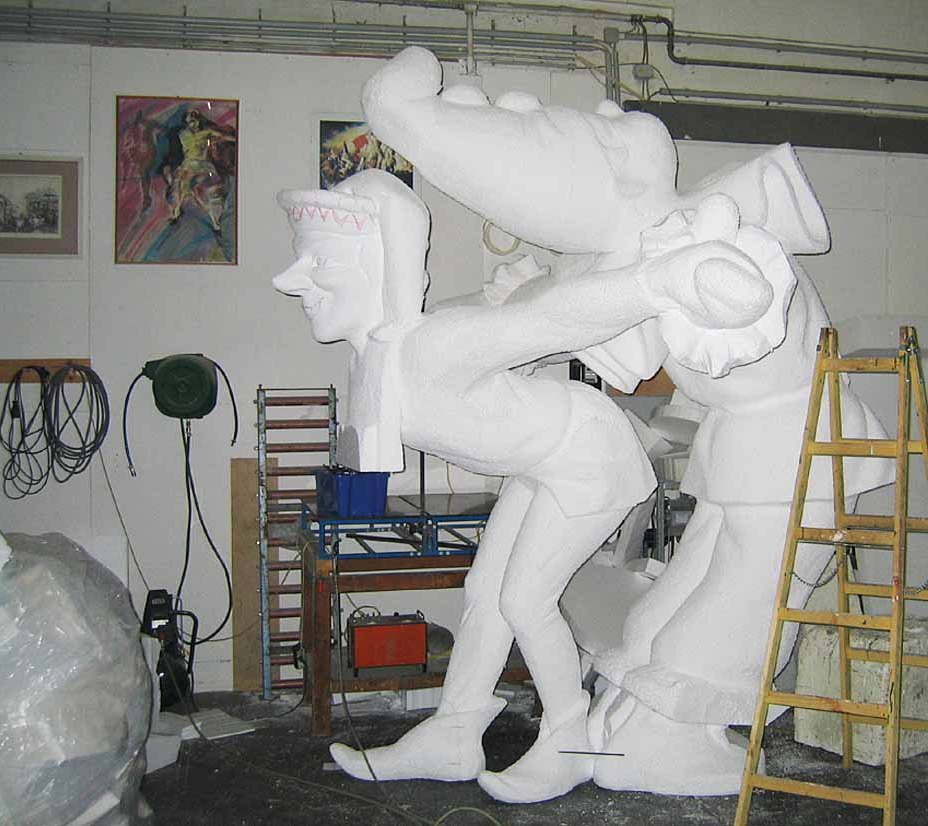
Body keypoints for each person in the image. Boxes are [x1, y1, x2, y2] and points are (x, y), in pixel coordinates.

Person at [359, 45, 893, 795]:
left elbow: (671, 323)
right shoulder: (652, 253)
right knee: (646, 632)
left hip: (798, 459)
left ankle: (653, 744)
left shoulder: (709, 243)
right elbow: (582, 323)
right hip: (739, 459)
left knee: (707, 638)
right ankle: (605, 735)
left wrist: (561, 307)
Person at [272, 168, 774, 802]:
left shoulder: (433, 348)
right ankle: (455, 733)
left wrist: (658, 281)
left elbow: (553, 320)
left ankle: (570, 739)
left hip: (587, 455)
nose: (292, 281)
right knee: (485, 590)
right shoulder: (383, 354)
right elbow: (512, 314)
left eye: (320, 263)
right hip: (543, 460)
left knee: (523, 600)